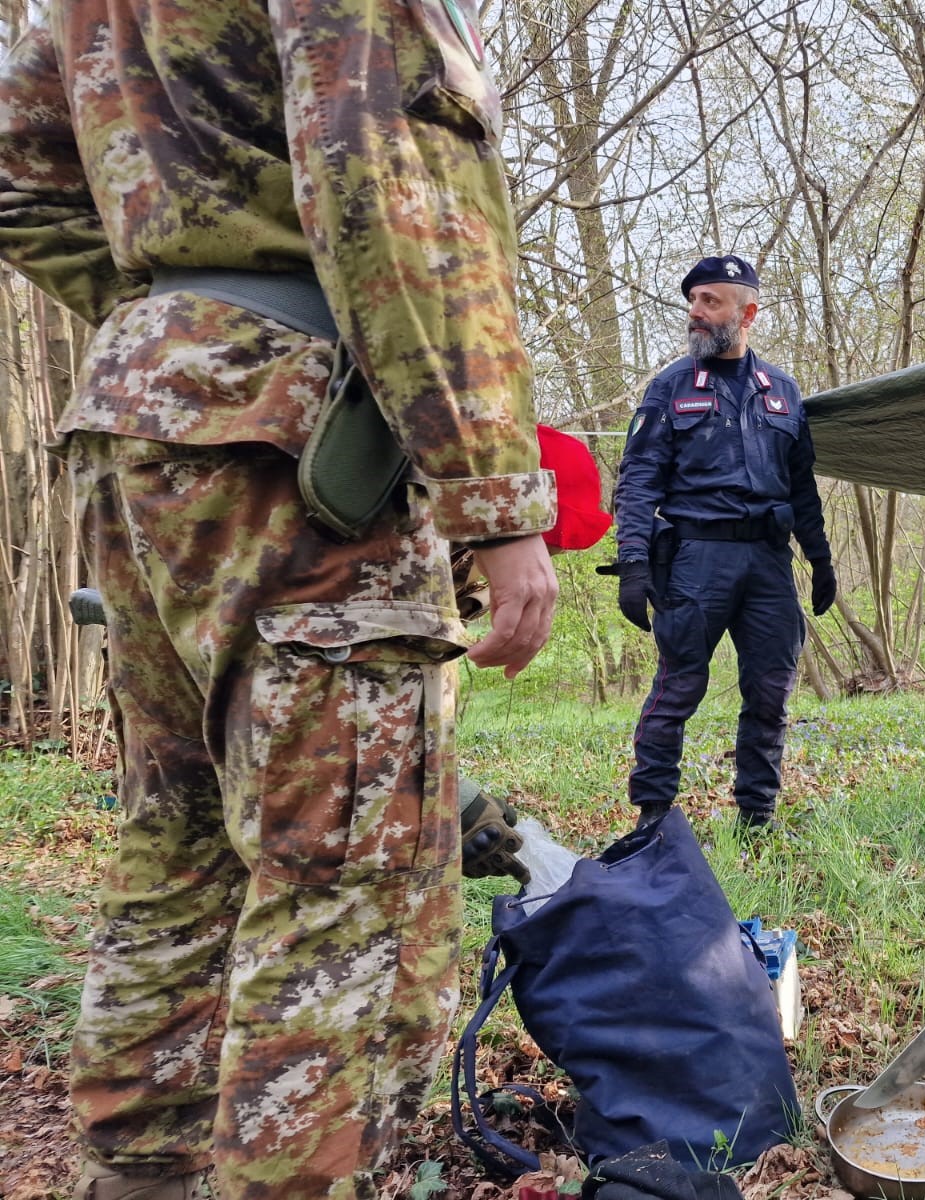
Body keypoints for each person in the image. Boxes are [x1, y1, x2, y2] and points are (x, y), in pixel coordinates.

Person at [0, 5, 559, 1198]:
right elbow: (390, 190)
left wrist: (177, 326)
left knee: (183, 832)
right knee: (339, 880)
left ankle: (141, 1173)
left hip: (142, 423)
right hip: (300, 451)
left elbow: (18, 171)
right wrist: (497, 498)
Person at [607, 255, 834, 830]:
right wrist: (634, 562)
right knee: (678, 688)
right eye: (693, 301)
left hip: (768, 562)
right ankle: (653, 820)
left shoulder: (781, 390)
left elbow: (801, 483)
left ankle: (758, 818)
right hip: (695, 560)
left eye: (710, 301)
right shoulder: (670, 386)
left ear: (747, 312)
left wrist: (821, 556)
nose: (696, 312)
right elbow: (636, 480)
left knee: (770, 693)